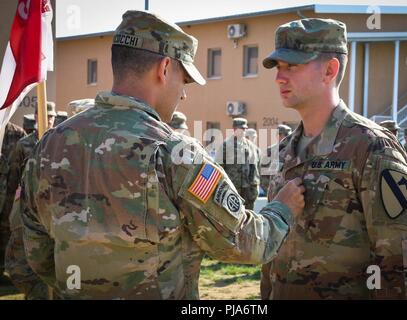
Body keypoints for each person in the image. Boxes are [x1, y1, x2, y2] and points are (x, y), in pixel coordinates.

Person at [22, 11, 305, 300]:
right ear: (165, 68)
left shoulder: (49, 144)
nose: (183, 95)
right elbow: (246, 243)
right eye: (184, 80)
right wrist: (281, 209)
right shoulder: (174, 153)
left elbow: (37, 250)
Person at [260, 17, 407, 299]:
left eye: (292, 65)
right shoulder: (283, 151)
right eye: (278, 67)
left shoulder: (372, 148)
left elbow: (403, 261)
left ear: (330, 69)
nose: (279, 77)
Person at [3, 102, 56, 299]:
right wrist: (9, 211)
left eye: (51, 116)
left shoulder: (59, 142)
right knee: (25, 261)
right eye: (45, 115)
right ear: (36, 116)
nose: (48, 119)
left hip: (51, 210)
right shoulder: (23, 144)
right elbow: (13, 179)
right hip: (27, 209)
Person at [216, 118, 261, 210]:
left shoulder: (252, 147)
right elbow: (219, 168)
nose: (242, 131)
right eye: (240, 129)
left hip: (248, 191)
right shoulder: (225, 146)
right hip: (232, 189)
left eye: (244, 129)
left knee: (248, 218)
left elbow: (255, 168)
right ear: (234, 129)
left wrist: (255, 187)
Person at [0, 122, 26, 283]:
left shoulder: (17, 135)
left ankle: (2, 271)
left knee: (5, 233)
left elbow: (20, 170)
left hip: (8, 196)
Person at [260, 124, 292, 195]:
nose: (289, 138)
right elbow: (264, 173)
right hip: (274, 192)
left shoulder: (293, 149)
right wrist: (269, 191)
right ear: (278, 136)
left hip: (290, 191)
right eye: (286, 135)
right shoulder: (270, 151)